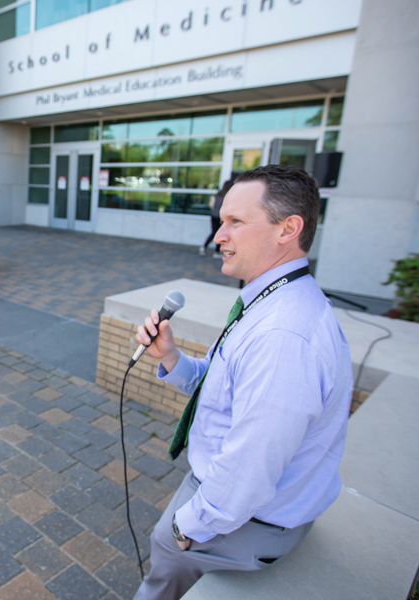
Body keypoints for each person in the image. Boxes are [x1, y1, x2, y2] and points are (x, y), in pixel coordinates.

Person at [132, 165, 353, 600]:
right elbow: (222, 392)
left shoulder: (282, 337)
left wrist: (184, 526)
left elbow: (249, 472)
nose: (218, 236)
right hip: (232, 502)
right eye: (221, 220)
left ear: (288, 228)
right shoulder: (272, 298)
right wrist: (172, 358)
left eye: (235, 221)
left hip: (242, 520)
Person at [200, 179, 232, 258]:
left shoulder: (218, 194)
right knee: (218, 234)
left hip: (213, 215)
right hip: (220, 217)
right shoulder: (228, 195)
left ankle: (204, 247)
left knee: (213, 232)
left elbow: (211, 205)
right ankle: (216, 252)